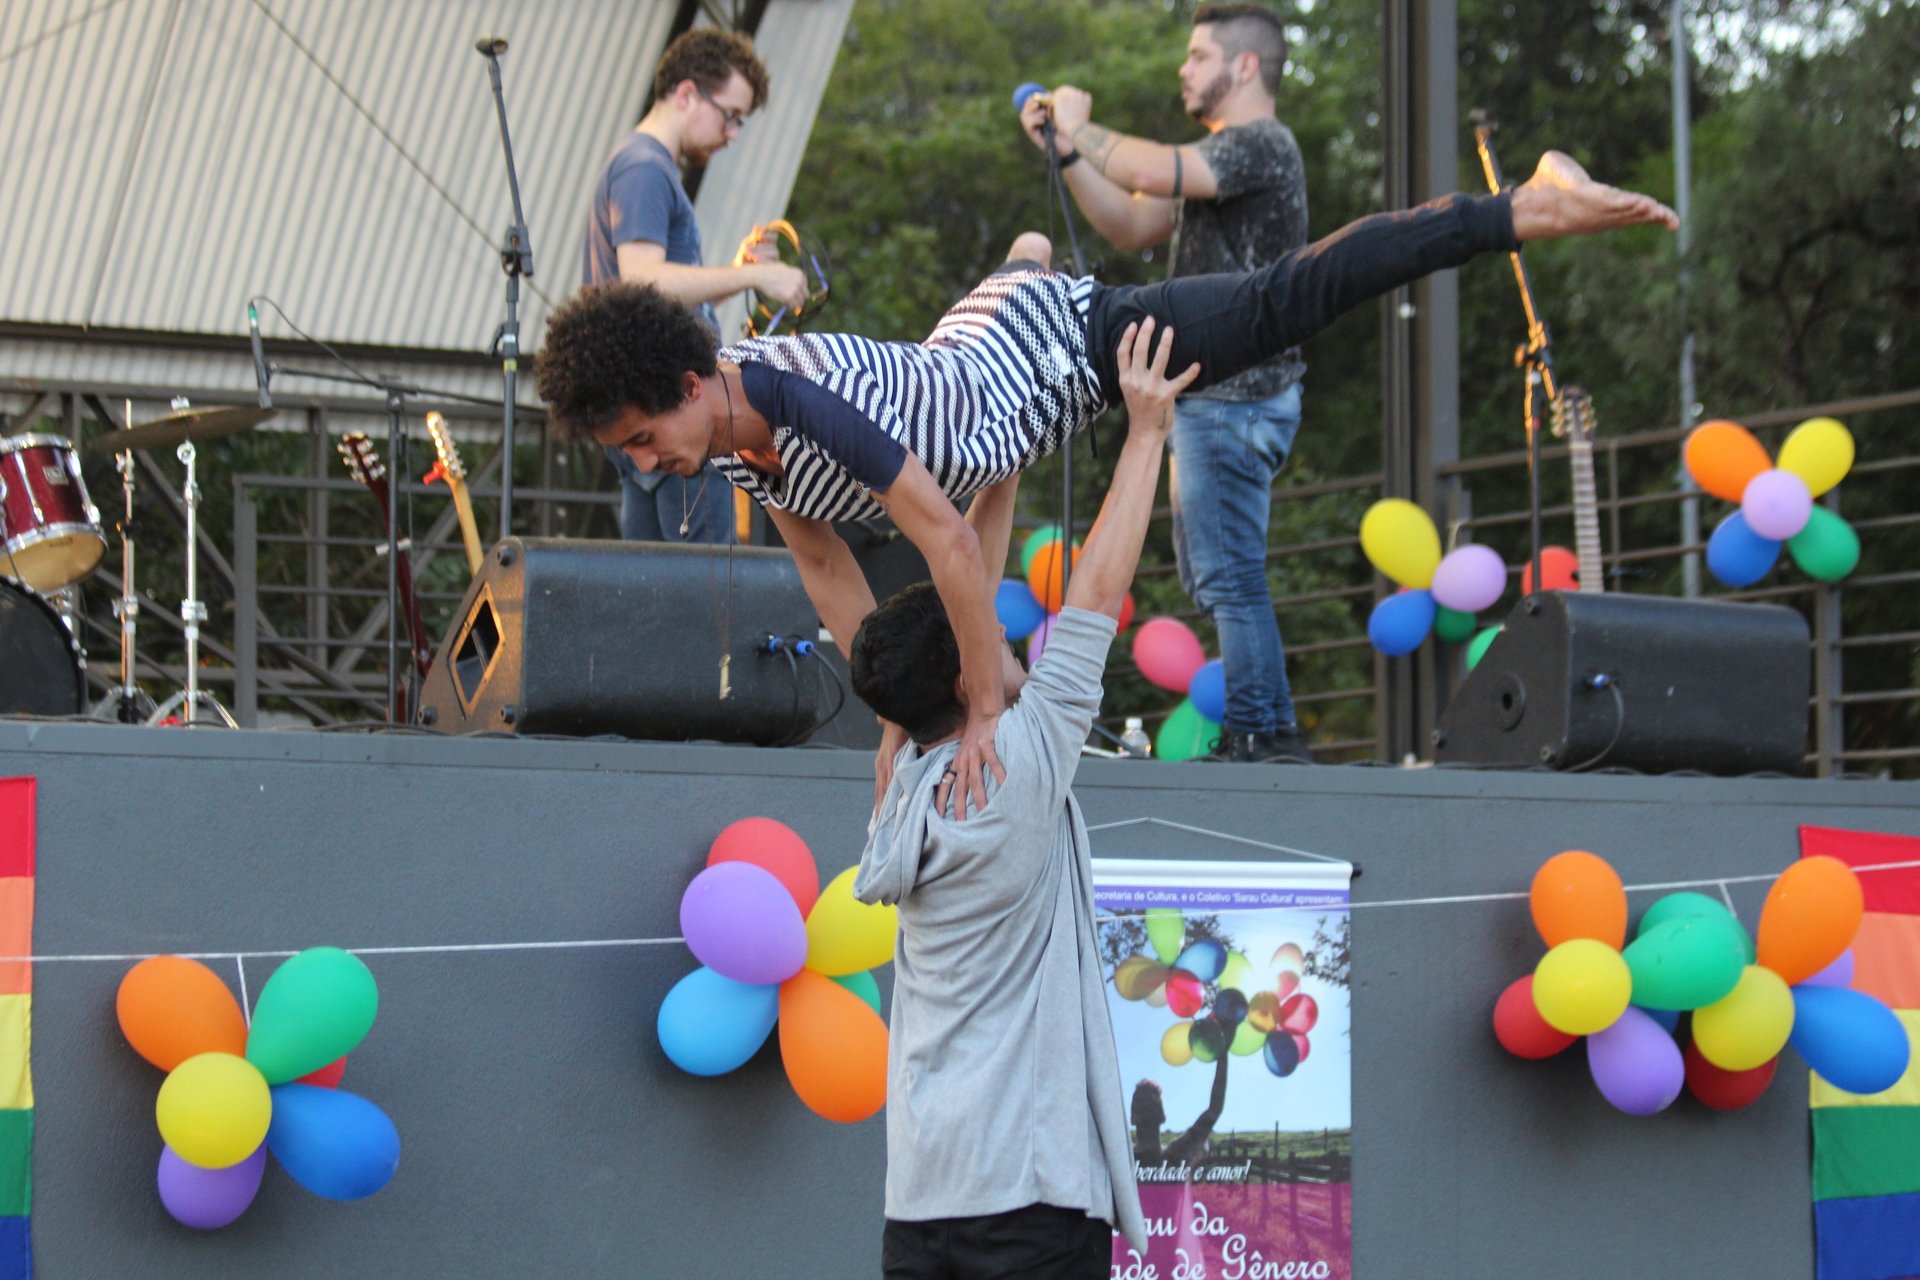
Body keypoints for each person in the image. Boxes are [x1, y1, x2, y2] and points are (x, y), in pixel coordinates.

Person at [537, 152, 1677, 812]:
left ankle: (1522, 203)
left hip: (1067, 344)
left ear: (691, 381)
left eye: (642, 436)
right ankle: (1022, 255)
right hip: (979, 373)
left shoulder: (791, 395)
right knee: (999, 373)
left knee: (1284, 299)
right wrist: (893, 721)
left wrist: (982, 709)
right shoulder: (734, 443)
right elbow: (835, 577)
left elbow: (947, 544)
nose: (644, 463)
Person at [847, 315, 1196, 1279]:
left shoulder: (897, 789)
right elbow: (1095, 593)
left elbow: (966, 576)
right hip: (1028, 1201)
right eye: (987, 635)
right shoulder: (1019, 765)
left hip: (920, 1204)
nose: (996, 632)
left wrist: (1002, 455)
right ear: (968, 678)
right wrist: (1147, 432)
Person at [1020, 4, 1314, 763]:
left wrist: (1079, 123)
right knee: (1223, 571)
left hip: (1234, 398)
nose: (1184, 70)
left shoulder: (1261, 145)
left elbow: (1149, 170)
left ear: (1244, 67)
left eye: (1198, 56)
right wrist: (1068, 152)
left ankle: (1261, 733)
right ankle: (1267, 729)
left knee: (1227, 574)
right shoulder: (1221, 163)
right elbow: (1130, 222)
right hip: (1220, 398)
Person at [580, 28, 808, 545]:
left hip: (648, 415)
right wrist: (755, 275)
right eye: (730, 115)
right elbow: (645, 281)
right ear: (686, 94)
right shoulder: (644, 169)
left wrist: (732, 270)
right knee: (705, 585)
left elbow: (653, 296)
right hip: (673, 417)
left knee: (657, 584)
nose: (732, 133)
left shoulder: (638, 165)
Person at [1132, 1052, 1231, 1167]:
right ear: (1162, 1116)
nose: (1146, 1110)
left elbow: (1213, 1111)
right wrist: (1222, 1055)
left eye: (1149, 1105)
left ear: (1132, 1118)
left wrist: (1222, 1056)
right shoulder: (1176, 1154)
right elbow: (1214, 1110)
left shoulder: (1122, 1158)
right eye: (1142, 1104)